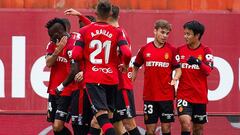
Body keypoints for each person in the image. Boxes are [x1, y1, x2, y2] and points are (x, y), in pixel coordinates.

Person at [71, 1, 132, 135]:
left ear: (95, 13)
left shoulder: (84, 31)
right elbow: (127, 53)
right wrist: (126, 65)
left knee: (101, 118)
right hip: (112, 78)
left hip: (94, 78)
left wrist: (85, 58)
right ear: (110, 13)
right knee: (107, 118)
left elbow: (75, 54)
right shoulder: (117, 32)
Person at [132, 19, 181, 135]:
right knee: (150, 130)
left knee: (166, 129)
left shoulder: (172, 50)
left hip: (166, 96)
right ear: (155, 31)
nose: (164, 36)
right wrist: (131, 81)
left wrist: (175, 79)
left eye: (167, 33)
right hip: (150, 96)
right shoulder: (144, 49)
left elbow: (178, 70)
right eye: (162, 32)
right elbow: (135, 67)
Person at [176, 20, 214, 135]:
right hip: (184, 95)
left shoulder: (206, 51)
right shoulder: (180, 50)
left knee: (198, 129)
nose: (185, 36)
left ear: (197, 35)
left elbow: (208, 71)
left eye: (188, 34)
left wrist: (198, 62)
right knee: (185, 123)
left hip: (200, 96)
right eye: (184, 33)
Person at [108, 5, 141, 135]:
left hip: (122, 85)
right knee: (116, 125)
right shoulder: (112, 32)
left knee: (128, 123)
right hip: (112, 85)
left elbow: (127, 54)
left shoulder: (119, 32)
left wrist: (126, 65)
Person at [45, 17, 80, 135]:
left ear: (58, 33)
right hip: (53, 90)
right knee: (55, 127)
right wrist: (57, 50)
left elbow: (75, 68)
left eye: (51, 35)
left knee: (58, 126)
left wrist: (62, 86)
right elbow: (49, 63)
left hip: (66, 91)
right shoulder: (52, 44)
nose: (50, 39)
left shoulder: (74, 44)